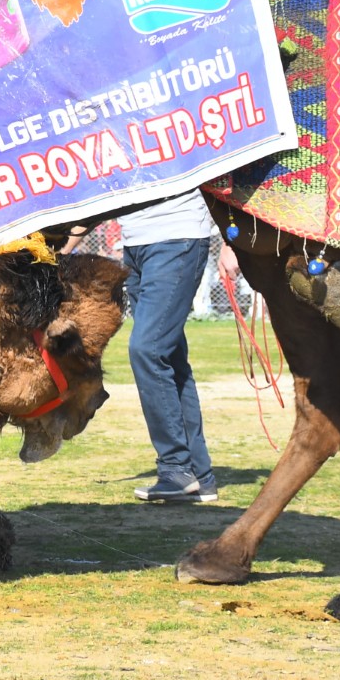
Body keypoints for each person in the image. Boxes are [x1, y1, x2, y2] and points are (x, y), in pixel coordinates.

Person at [117, 191, 234, 504]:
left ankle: (175, 467)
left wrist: (230, 242)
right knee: (170, 360)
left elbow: (220, 176)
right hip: (134, 244)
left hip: (177, 236)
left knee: (147, 349)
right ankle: (198, 476)